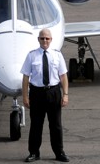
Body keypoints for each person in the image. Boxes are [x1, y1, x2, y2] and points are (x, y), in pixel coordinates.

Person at [20, 29, 69, 162]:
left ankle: (59, 152)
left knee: (56, 125)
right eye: (42, 38)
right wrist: (25, 96)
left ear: (51, 40)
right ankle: (34, 153)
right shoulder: (32, 56)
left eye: (47, 38)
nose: (45, 41)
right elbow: (25, 77)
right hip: (37, 93)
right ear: (38, 39)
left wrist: (65, 94)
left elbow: (63, 76)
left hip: (53, 92)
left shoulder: (57, 55)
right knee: (36, 125)